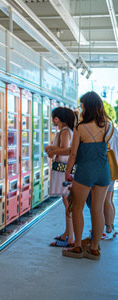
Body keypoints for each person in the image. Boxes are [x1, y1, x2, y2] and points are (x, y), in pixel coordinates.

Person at [62, 91, 111, 260]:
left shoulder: (80, 128)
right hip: (103, 172)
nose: (80, 107)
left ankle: (77, 247)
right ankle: (95, 248)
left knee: (77, 208)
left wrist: (67, 172)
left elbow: (73, 155)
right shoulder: (108, 125)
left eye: (82, 104)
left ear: (87, 106)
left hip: (85, 171)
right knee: (98, 209)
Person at [45, 107, 75, 247]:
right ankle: (67, 234)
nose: (52, 120)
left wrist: (51, 149)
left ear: (57, 118)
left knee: (67, 202)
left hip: (63, 169)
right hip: (66, 168)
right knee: (67, 202)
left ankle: (70, 238)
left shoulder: (64, 131)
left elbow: (65, 149)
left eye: (53, 118)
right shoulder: (68, 130)